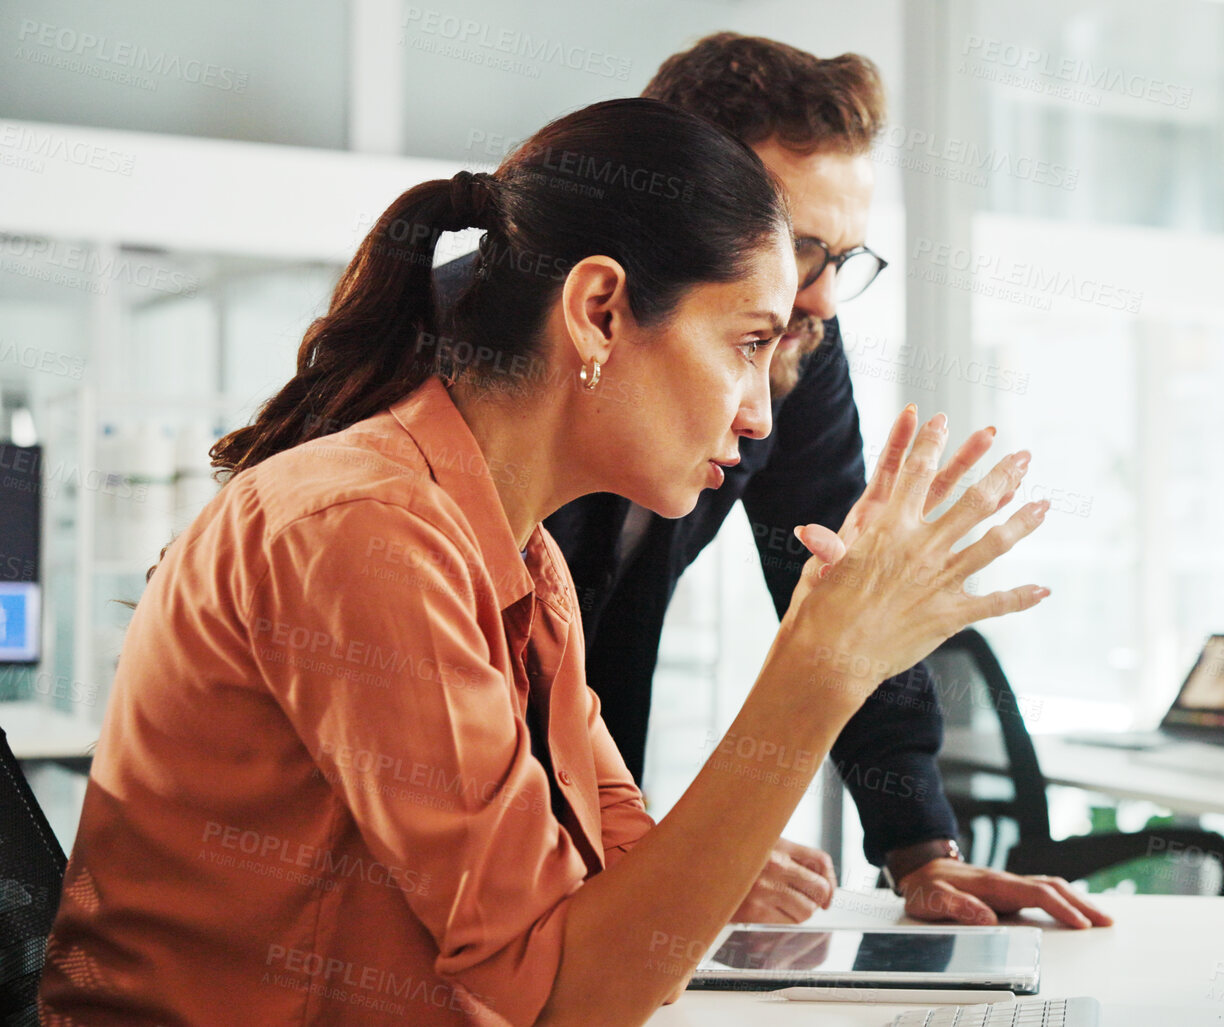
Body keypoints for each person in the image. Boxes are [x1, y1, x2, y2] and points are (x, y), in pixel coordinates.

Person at [39, 98, 1051, 1027]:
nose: (760, 411)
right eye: (747, 342)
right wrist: (819, 672)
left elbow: (619, 867)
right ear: (599, 309)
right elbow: (566, 993)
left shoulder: (524, 563)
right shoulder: (363, 530)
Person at [446, 33, 1112, 930]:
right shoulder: (470, 377)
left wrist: (921, 850)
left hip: (575, 808)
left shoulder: (797, 346)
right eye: (797, 248)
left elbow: (842, 581)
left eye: (844, 258)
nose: (823, 302)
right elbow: (447, 758)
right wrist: (663, 865)